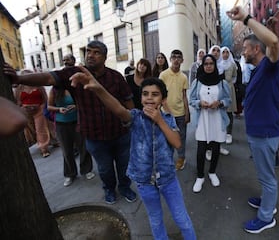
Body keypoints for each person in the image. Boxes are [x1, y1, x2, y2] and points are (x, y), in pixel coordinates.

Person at [4, 40, 137, 205]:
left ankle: (125, 187)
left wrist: (134, 125)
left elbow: (128, 101)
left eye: (96, 52)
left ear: (104, 56)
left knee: (124, 166)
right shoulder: (73, 73)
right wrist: (18, 78)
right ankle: (109, 189)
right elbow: (47, 77)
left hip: (120, 134)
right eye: (88, 51)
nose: (90, 55)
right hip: (95, 137)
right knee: (105, 169)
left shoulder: (115, 77)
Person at [69, 72, 196, 239]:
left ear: (162, 99)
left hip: (168, 179)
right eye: (145, 94)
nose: (149, 98)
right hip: (145, 182)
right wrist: (98, 89)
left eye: (155, 94)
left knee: (181, 218)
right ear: (140, 97)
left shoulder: (167, 118)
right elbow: (118, 108)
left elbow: (177, 143)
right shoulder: (136, 117)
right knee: (155, 219)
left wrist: (160, 120)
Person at [227, 6, 279, 234]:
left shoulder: (270, 65)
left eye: (246, 48)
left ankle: (266, 216)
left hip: (265, 133)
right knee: (264, 173)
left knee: (268, 178)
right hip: (259, 133)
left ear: (257, 48)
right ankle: (267, 201)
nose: (243, 52)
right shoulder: (259, 69)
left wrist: (247, 19)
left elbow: (275, 43)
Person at [48, 54, 95, 187]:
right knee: (66, 150)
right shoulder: (55, 89)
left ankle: (86, 170)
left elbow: (85, 102)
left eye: (68, 60)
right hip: (62, 124)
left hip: (78, 121)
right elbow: (49, 106)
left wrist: (76, 106)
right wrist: (59, 110)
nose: (65, 62)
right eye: (64, 61)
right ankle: (70, 174)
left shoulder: (77, 86)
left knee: (83, 147)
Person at [189, 54, 231, 193]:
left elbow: (228, 100)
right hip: (202, 120)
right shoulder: (197, 82)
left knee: (215, 147)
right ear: (202, 65)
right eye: (206, 64)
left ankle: (212, 172)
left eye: (211, 64)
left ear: (215, 65)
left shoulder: (221, 82)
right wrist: (199, 103)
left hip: (217, 119)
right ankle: (200, 176)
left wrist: (219, 103)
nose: (208, 66)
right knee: (201, 150)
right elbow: (192, 100)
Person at [159, 49, 190, 171]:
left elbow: (184, 96)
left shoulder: (183, 77)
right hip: (166, 113)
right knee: (166, 137)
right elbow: (159, 94)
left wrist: (187, 112)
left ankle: (181, 158)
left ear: (182, 60)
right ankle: (167, 159)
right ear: (170, 59)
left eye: (179, 57)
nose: (176, 59)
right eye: (174, 57)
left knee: (181, 137)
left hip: (180, 113)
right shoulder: (163, 75)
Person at [14, 70, 51, 158]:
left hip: (39, 110)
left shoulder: (39, 86)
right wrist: (21, 109)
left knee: (40, 129)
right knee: (29, 130)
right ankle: (33, 143)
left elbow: (45, 98)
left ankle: (43, 148)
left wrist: (43, 107)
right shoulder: (19, 88)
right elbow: (17, 101)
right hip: (25, 111)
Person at [219, 46, 237, 146]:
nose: (225, 54)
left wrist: (230, 84)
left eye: (227, 52)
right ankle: (222, 132)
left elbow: (235, 76)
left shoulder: (232, 65)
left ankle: (229, 134)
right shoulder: (218, 65)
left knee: (229, 112)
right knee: (221, 112)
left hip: (229, 89)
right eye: (223, 52)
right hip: (220, 90)